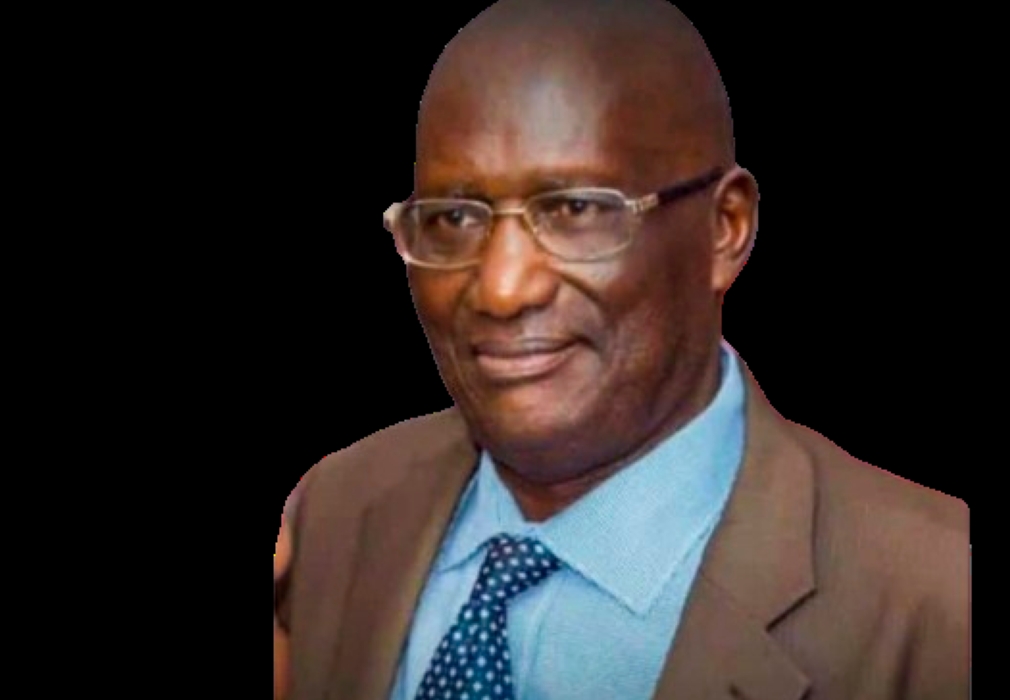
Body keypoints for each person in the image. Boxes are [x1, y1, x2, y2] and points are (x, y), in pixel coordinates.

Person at [273, 0, 969, 698]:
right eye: (454, 218)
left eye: (575, 210)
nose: (502, 289)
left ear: (725, 229)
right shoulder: (337, 509)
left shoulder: (937, 599)